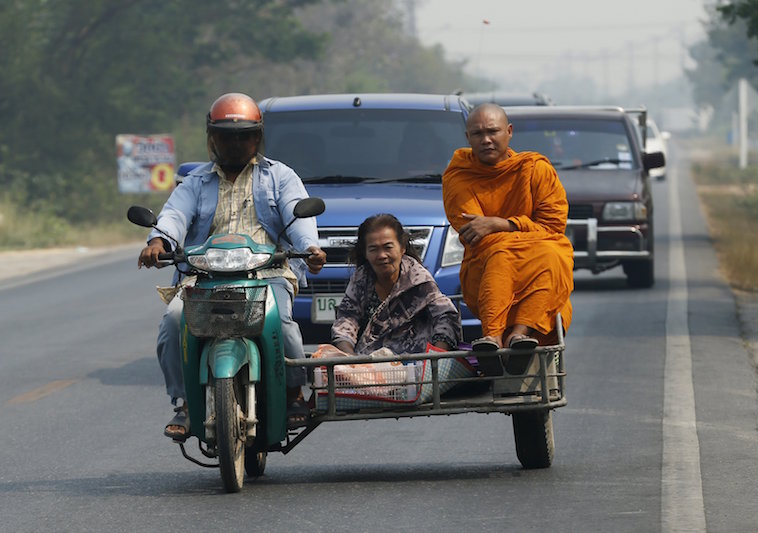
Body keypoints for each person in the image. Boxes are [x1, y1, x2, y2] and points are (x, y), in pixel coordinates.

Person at [138, 92, 326, 438]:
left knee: (282, 323)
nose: (236, 144)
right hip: (204, 275)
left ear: (258, 136)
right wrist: (158, 241)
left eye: (244, 136)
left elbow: (297, 213)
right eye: (226, 137)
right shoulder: (195, 182)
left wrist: (309, 248)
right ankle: (183, 403)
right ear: (212, 139)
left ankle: (294, 393)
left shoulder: (280, 177)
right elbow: (175, 215)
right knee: (174, 321)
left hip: (266, 273)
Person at [441, 103, 573, 373]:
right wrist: (521, 233)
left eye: (493, 131)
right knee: (503, 252)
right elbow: (476, 235)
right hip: (485, 271)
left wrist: (502, 224)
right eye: (477, 134)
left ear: (509, 132)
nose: (486, 139)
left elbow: (554, 226)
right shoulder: (459, 175)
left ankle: (518, 334)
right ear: (468, 138)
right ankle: (492, 336)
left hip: (539, 265)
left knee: (555, 251)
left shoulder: (535, 169)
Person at [330, 213, 461, 355]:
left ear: (402, 248)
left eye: (388, 247)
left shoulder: (418, 279)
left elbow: (446, 317)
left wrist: (435, 359)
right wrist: (350, 358)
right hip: (369, 363)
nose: (382, 255)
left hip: (416, 363)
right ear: (365, 253)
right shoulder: (361, 278)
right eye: (374, 249)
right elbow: (347, 319)